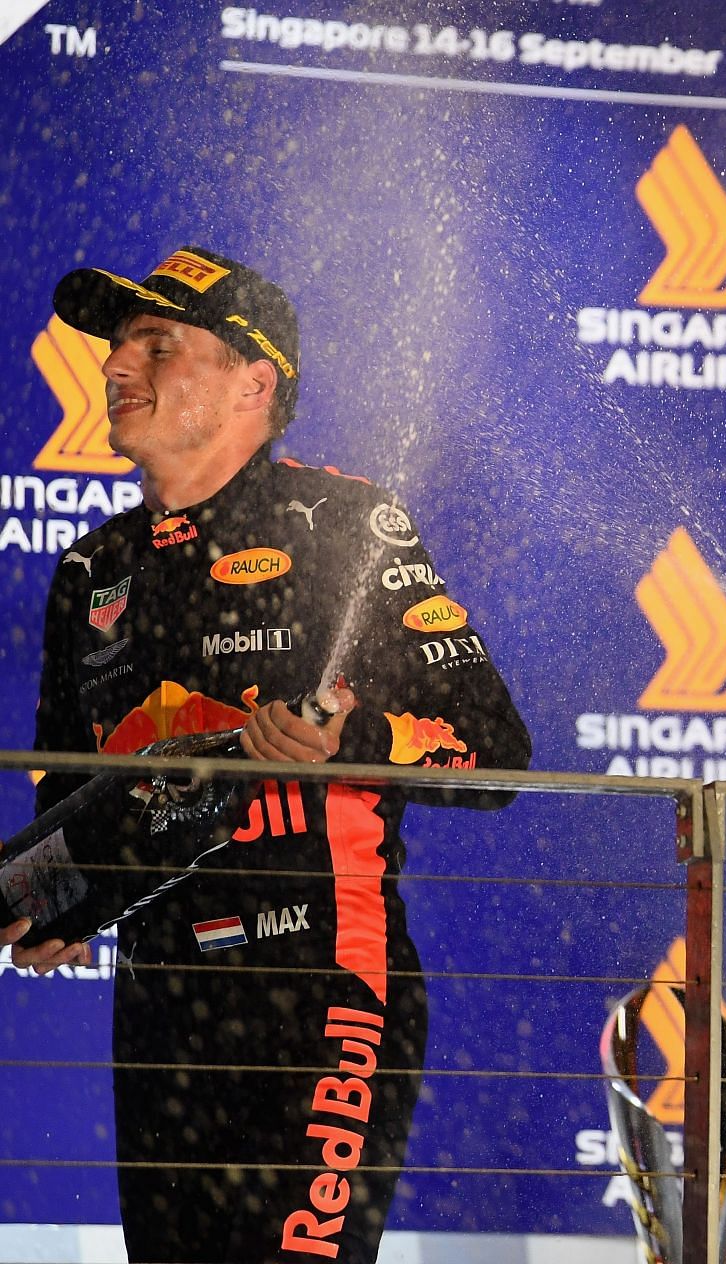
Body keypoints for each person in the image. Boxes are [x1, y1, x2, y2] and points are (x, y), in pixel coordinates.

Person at [9, 246, 531, 1263]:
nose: (119, 366)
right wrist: (54, 899)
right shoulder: (91, 568)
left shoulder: (346, 525)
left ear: (257, 383)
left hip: (322, 984)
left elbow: (500, 758)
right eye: (118, 345)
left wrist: (358, 742)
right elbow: (70, 794)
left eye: (159, 344)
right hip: (160, 1003)